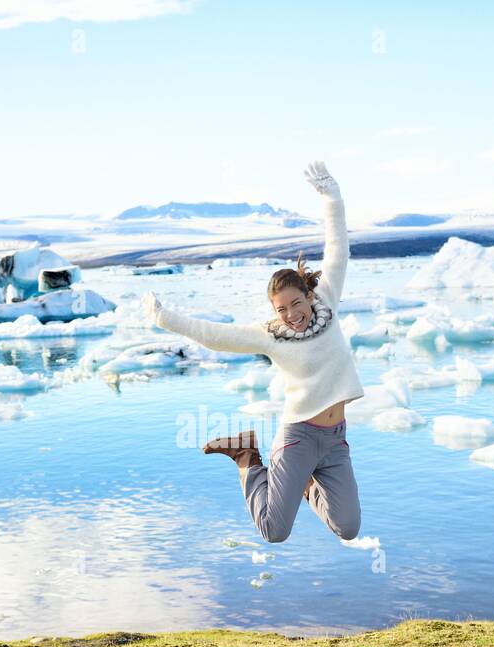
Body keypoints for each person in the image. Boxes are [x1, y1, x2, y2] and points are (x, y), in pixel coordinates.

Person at [142, 160, 364, 543]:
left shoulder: (327, 299)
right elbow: (216, 336)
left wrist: (332, 195)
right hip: (299, 436)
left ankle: (306, 483)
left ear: (308, 294)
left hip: (335, 439)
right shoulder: (270, 335)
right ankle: (247, 458)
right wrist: (166, 318)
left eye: (296, 303)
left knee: (347, 527)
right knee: (274, 530)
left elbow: (337, 249)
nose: (291, 314)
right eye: (281, 309)